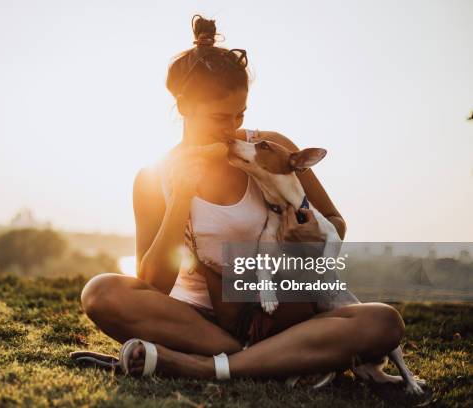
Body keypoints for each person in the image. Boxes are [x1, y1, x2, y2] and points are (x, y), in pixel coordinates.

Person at [80, 15, 405, 380]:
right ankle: (263, 360)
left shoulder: (269, 149)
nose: (232, 128)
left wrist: (308, 239)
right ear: (185, 106)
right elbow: (153, 284)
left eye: (240, 114)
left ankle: (198, 365)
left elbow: (336, 224)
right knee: (100, 292)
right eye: (220, 116)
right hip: (197, 322)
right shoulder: (154, 176)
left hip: (282, 313)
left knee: (383, 322)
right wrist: (180, 200)